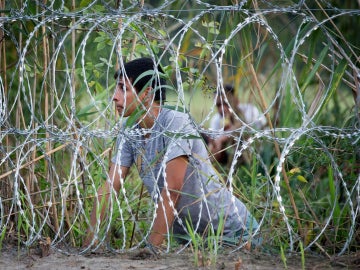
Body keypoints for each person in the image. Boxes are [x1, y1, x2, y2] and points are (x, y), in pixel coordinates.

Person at [83, 57, 261, 253]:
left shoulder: (175, 122)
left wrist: (151, 250)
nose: (114, 97)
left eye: (123, 88)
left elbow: (173, 190)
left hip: (234, 234)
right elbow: (110, 186)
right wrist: (89, 245)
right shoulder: (130, 130)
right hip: (194, 242)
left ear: (147, 93)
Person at [207, 85, 266, 167]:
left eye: (226, 103)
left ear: (236, 101)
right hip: (233, 159)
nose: (222, 109)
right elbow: (215, 146)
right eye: (218, 105)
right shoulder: (216, 120)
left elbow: (244, 127)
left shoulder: (250, 111)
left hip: (260, 157)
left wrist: (223, 137)